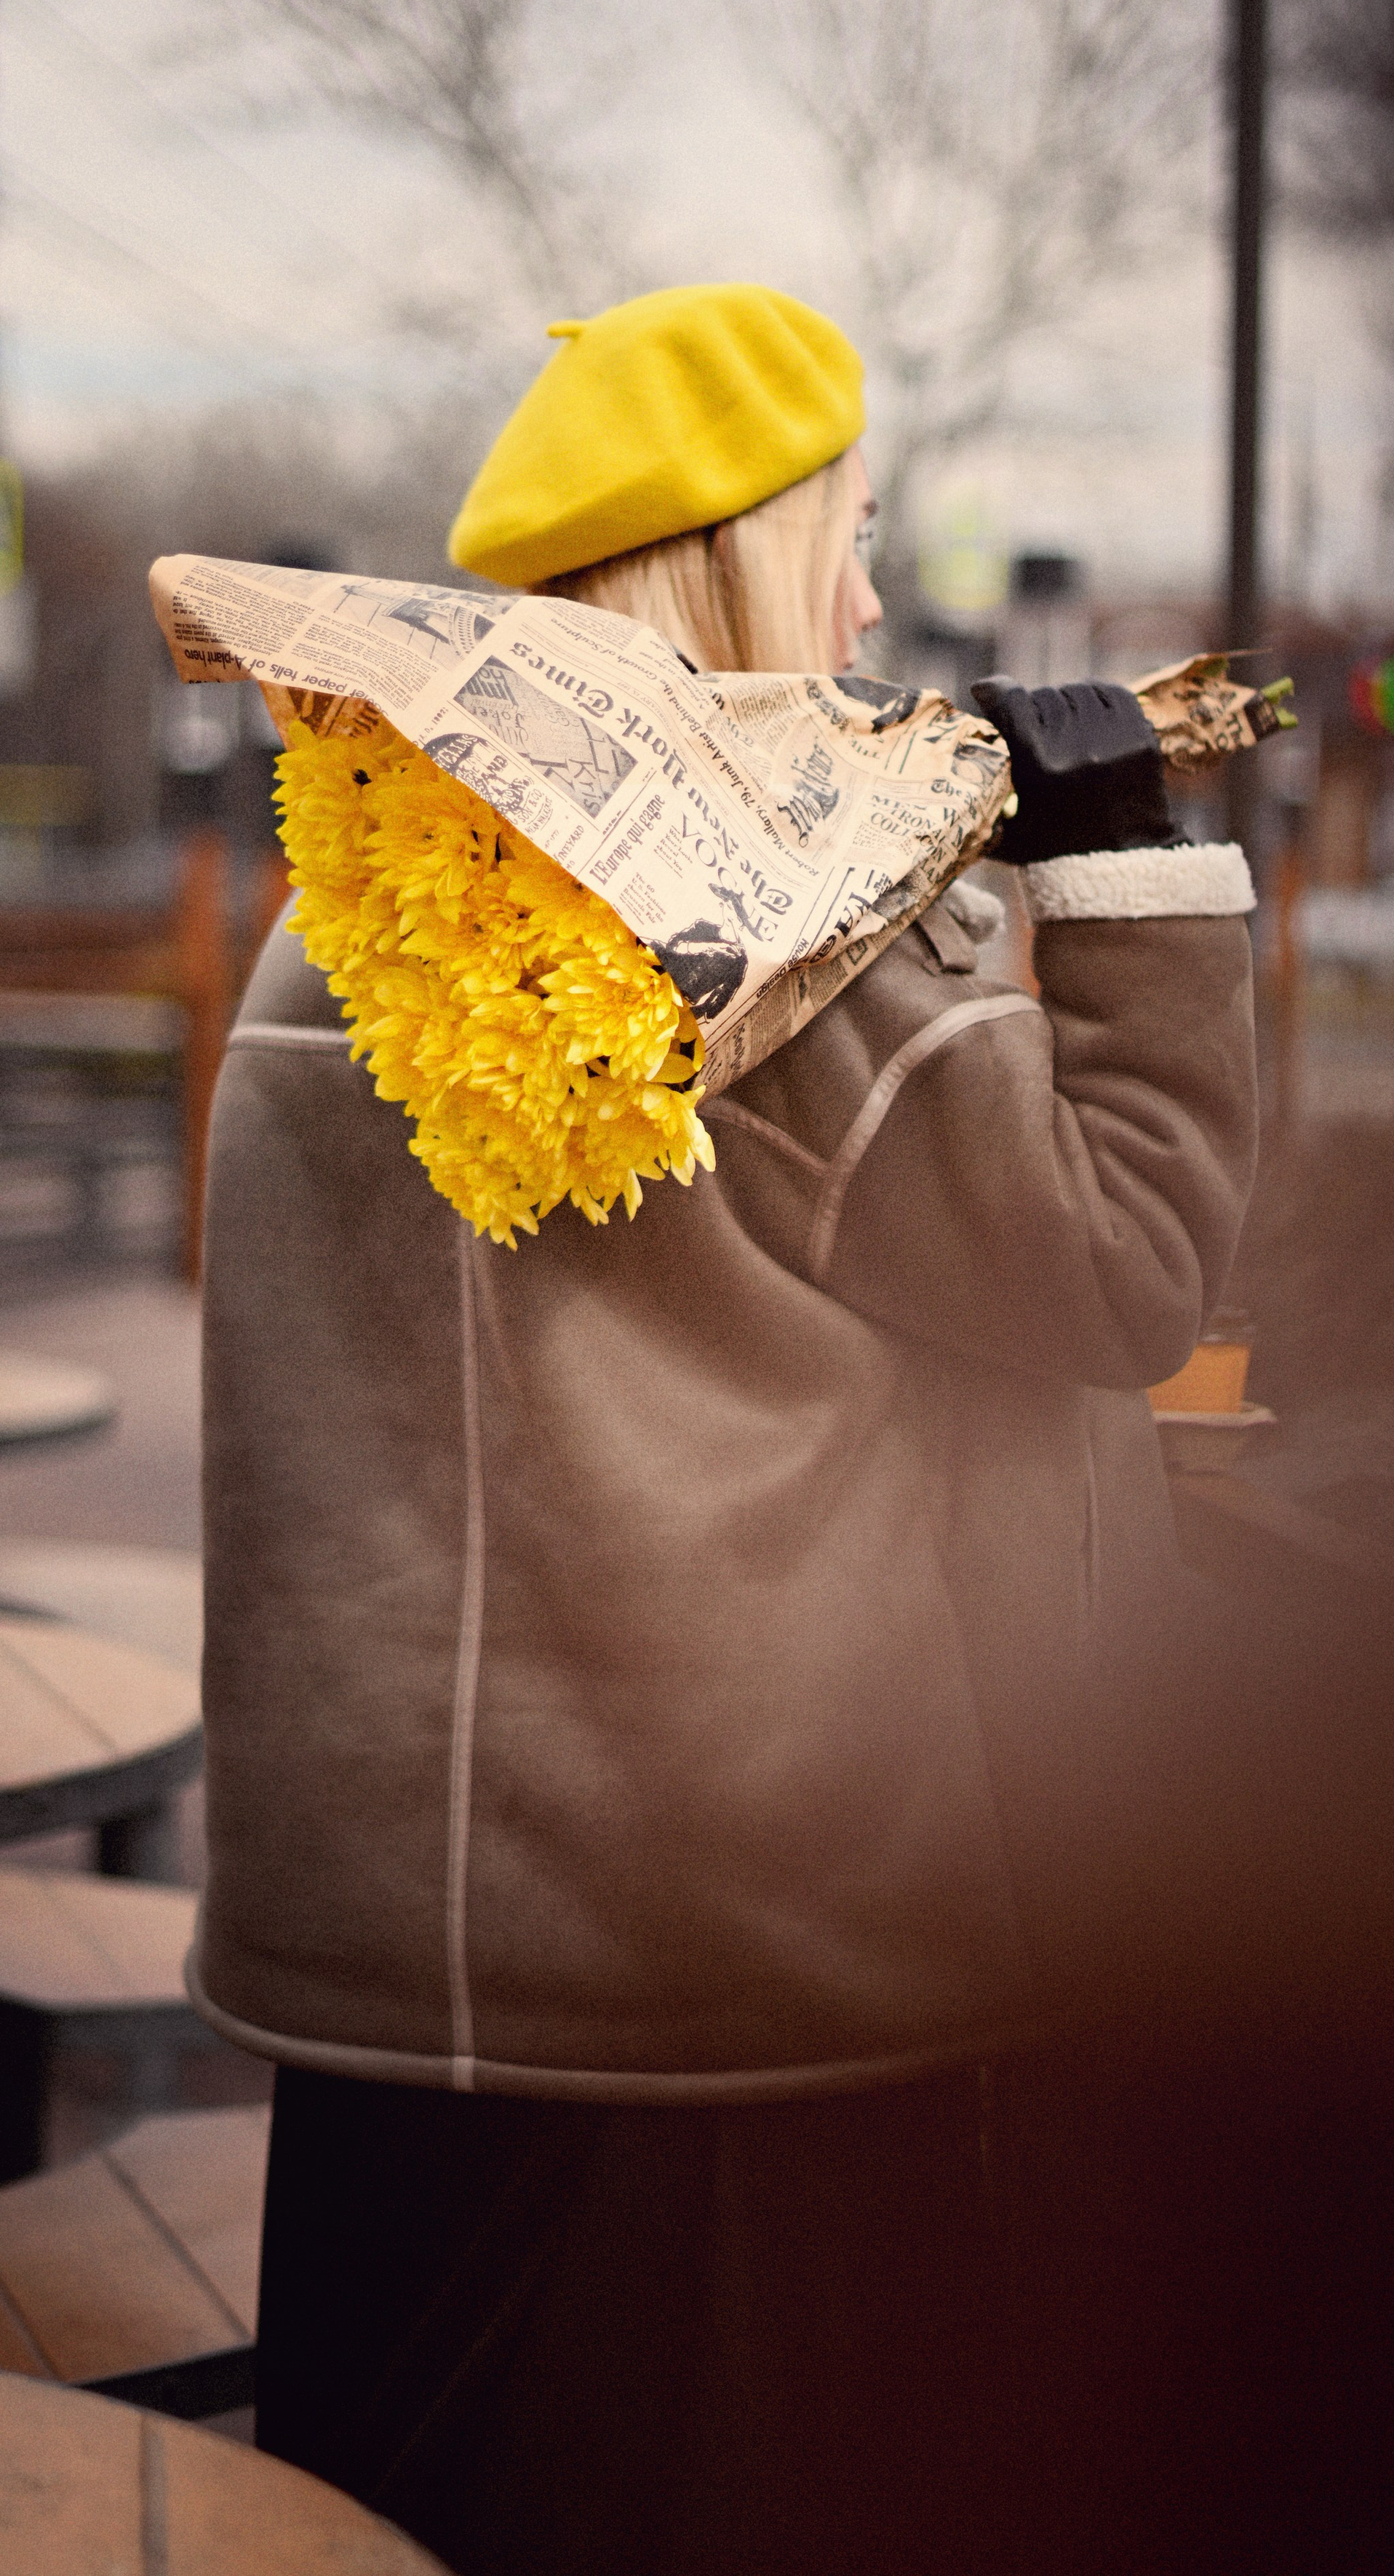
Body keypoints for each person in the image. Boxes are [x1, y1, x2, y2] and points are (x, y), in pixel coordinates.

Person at [196, 283, 1258, 2573]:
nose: (874, 599)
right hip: (739, 2014)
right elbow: (1131, 1266)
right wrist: (1128, 862)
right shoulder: (799, 945)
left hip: (397, 2012)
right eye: (849, 532)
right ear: (748, 547)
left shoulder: (337, 914)